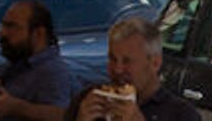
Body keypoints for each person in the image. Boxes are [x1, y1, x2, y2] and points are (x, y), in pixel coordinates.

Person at [0, 0, 74, 120]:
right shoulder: (12, 66)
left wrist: (17, 108)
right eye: (2, 26)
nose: (3, 33)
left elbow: (63, 116)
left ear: (38, 34)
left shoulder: (51, 72)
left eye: (12, 27)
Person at [71, 16, 199, 121]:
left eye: (127, 61)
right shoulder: (88, 100)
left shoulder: (181, 115)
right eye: (113, 59)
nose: (118, 69)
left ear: (155, 63)